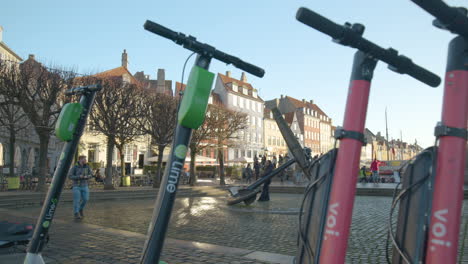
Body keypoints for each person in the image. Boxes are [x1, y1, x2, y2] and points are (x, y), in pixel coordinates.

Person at [69, 155, 93, 220]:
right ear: (80, 160)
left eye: (85, 159)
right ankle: (76, 213)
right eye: (84, 159)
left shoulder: (87, 166)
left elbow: (91, 174)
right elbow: (70, 176)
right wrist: (79, 177)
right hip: (76, 186)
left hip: (85, 185)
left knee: (86, 199)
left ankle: (80, 209)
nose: (86, 160)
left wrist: (87, 176)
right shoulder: (75, 167)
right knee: (76, 200)